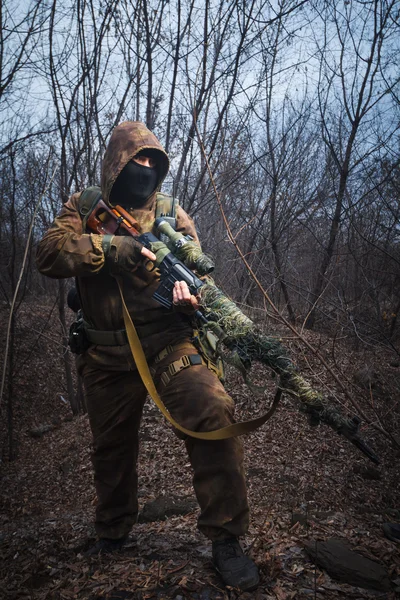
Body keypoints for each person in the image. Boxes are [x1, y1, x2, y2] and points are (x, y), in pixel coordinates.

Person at [36, 121, 259, 591]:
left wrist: (189, 298)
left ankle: (226, 539)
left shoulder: (172, 213)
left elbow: (196, 269)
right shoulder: (83, 206)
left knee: (213, 409)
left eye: (152, 162)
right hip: (106, 352)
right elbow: (49, 254)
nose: (144, 168)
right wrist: (109, 249)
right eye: (135, 160)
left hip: (167, 343)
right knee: (110, 449)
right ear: (116, 164)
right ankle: (113, 532)